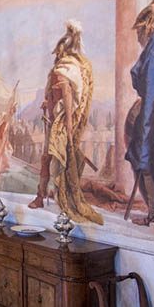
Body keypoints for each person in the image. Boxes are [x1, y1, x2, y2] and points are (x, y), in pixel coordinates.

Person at [28, 20, 103, 225]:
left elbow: (68, 97)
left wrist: (68, 123)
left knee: (55, 159)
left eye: (57, 52)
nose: (56, 55)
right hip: (56, 120)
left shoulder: (62, 70)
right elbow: (60, 96)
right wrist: (48, 102)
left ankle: (48, 197)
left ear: (61, 51)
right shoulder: (69, 69)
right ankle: (42, 196)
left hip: (60, 123)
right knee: (49, 159)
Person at [125, 0, 154, 226]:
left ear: (147, 26)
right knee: (141, 156)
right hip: (152, 111)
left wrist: (145, 128)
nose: (138, 38)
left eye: (139, 31)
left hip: (153, 113)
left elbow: (151, 87)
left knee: (145, 158)